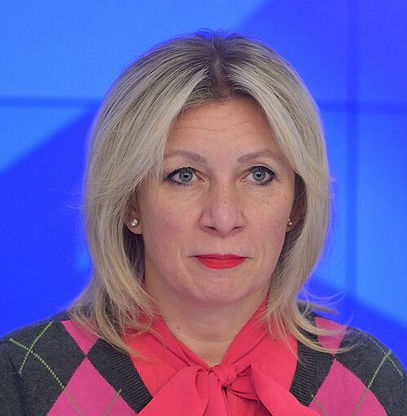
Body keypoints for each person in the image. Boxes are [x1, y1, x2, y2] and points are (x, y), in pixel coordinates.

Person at [0, 31, 405, 416]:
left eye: (259, 174)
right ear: (129, 204)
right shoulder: (24, 376)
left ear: (296, 205)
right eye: (184, 175)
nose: (223, 219)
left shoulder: (370, 381)